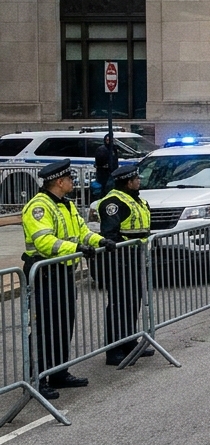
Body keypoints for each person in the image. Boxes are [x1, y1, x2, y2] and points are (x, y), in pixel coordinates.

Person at [22, 159, 107, 399]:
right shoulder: (38, 207)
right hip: (44, 272)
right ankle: (36, 379)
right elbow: (44, 242)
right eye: (70, 179)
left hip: (63, 272)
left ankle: (59, 372)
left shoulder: (66, 206)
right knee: (43, 327)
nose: (73, 182)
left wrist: (99, 241)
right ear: (59, 182)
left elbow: (82, 231)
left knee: (62, 324)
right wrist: (76, 247)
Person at [95, 164, 154, 366]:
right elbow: (110, 232)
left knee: (132, 302)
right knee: (119, 304)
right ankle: (114, 350)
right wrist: (123, 253)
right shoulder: (113, 202)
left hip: (136, 256)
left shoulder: (137, 200)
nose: (139, 181)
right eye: (136, 178)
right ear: (128, 182)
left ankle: (129, 341)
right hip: (121, 258)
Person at [93, 133, 120, 197]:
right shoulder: (102, 149)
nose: (109, 142)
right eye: (107, 140)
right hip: (104, 174)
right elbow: (99, 162)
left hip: (112, 172)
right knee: (105, 189)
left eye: (110, 140)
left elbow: (115, 160)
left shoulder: (113, 149)